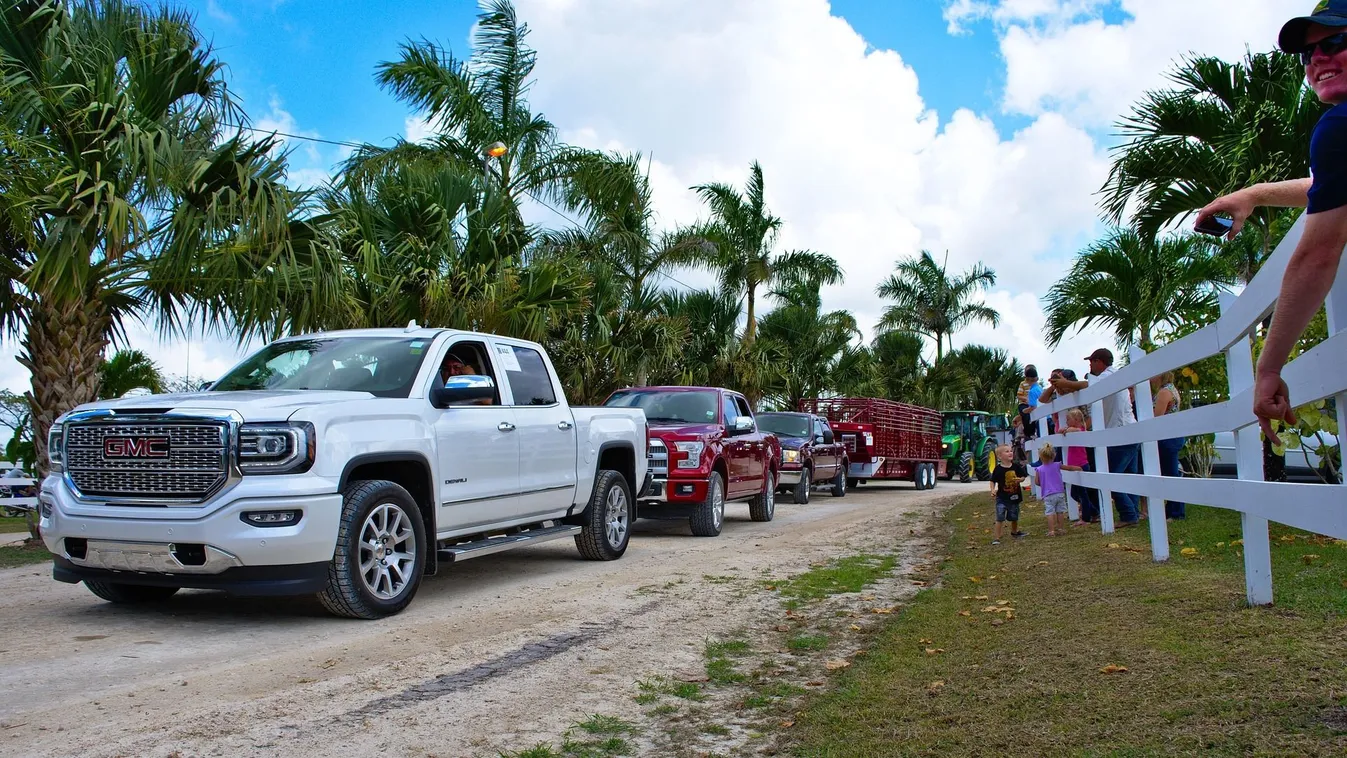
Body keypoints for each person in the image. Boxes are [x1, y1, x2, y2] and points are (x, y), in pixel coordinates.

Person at [1195, 3, 1347, 439]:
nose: (1318, 59)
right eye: (1307, 53)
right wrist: (1256, 195)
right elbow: (1331, 186)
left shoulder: (1338, 128)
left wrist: (1268, 367)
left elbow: (1319, 253)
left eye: (1335, 41)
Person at [1049, 348, 1140, 527]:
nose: (1090, 365)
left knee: (1110, 476)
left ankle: (1129, 515)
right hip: (1127, 430)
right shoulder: (1112, 376)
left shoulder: (1107, 376)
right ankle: (1132, 512)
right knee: (1128, 476)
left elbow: (1086, 385)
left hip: (1120, 433)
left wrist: (1066, 383)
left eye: (1091, 361)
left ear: (1100, 362)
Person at [1151, 372, 1186, 520]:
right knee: (1170, 472)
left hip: (1168, 437)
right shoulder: (1171, 389)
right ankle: (1173, 509)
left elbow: (1156, 415)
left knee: (1170, 473)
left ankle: (1176, 511)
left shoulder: (1164, 392)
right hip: (1172, 435)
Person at [1060, 407, 1099, 526]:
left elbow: (1077, 429)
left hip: (1081, 465)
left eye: (1068, 419)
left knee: (1082, 494)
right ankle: (1094, 512)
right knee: (1075, 494)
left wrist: (1068, 429)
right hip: (1074, 465)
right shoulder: (1073, 430)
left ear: (1076, 419)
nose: (1066, 421)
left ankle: (1086, 517)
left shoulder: (1080, 430)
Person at [1033, 443, 1082, 537]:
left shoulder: (1039, 469)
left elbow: (1037, 482)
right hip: (1059, 492)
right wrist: (1078, 468)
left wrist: (1044, 484)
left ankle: (1051, 530)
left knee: (1050, 512)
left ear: (1041, 456)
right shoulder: (1057, 465)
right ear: (1054, 455)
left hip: (1048, 494)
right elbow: (1069, 468)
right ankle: (1061, 528)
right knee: (1060, 511)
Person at [989, 444, 1028, 545]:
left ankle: (1015, 532)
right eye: (1007, 451)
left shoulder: (1016, 466)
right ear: (1000, 456)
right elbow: (992, 480)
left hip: (1015, 497)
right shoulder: (997, 469)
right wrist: (992, 490)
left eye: (1011, 451)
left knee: (1014, 516)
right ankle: (997, 537)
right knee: (1000, 517)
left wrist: (1021, 480)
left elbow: (1023, 476)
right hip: (1002, 498)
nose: (1010, 452)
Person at [1016, 365, 1042, 439]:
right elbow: (1019, 395)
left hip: (1033, 404)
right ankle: (1029, 433)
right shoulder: (1023, 384)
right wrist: (1026, 399)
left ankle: (1034, 432)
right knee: (1027, 416)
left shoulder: (1037, 387)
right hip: (1024, 404)